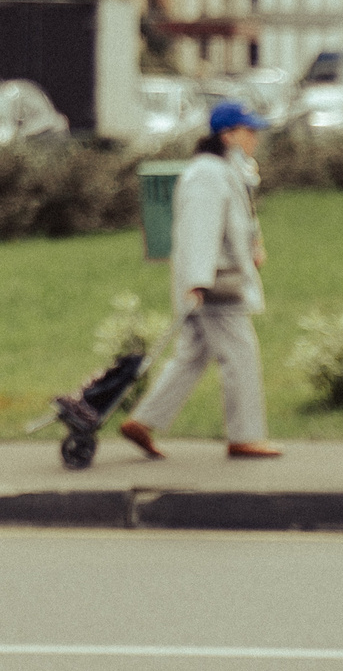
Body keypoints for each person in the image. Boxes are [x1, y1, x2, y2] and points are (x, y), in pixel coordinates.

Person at [119, 102, 281, 462]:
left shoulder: (222, 170)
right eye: (248, 131)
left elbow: (235, 222)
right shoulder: (208, 174)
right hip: (215, 285)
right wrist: (197, 280)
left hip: (213, 280)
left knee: (191, 357)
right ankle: (246, 437)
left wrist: (253, 245)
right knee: (241, 356)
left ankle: (143, 421)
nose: (254, 138)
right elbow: (199, 229)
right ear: (227, 135)